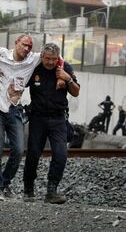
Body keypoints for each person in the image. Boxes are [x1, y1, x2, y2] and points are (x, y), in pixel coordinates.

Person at [0, 34, 66, 200]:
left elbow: (59, 58)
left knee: (19, 150)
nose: (26, 49)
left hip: (14, 108)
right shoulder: (1, 53)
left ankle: (5, 182)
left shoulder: (34, 59)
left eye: (29, 46)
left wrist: (60, 75)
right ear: (16, 43)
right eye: (24, 45)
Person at [23, 43, 80, 204]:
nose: (50, 62)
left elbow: (75, 92)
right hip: (37, 118)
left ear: (58, 58)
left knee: (61, 155)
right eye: (47, 59)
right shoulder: (35, 68)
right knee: (33, 155)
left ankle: (52, 190)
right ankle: (28, 189)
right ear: (42, 57)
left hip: (58, 119)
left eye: (54, 59)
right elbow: (19, 82)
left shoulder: (64, 67)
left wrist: (67, 78)